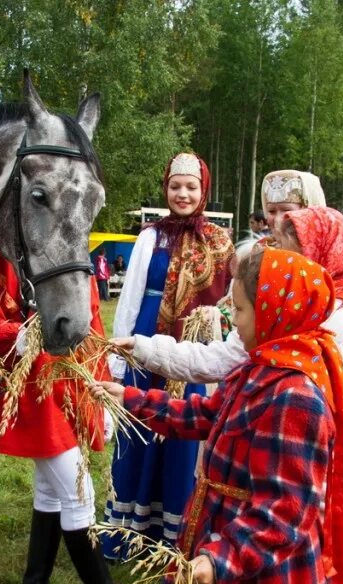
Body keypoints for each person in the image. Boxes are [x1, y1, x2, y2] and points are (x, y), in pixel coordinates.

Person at [113, 205, 343, 584]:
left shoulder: (295, 395)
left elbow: (283, 510)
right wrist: (132, 398)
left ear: (274, 311)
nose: (234, 321)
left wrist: (219, 559)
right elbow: (208, 412)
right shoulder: (261, 363)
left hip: (263, 568)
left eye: (240, 310)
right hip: (236, 544)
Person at [0, 250, 145, 584]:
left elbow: (92, 327)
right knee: (79, 495)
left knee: (51, 492)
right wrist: (18, 336)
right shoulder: (3, 259)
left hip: (77, 388)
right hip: (35, 394)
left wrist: (102, 396)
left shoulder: (73, 250)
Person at [103, 152, 235, 557]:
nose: (183, 194)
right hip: (146, 345)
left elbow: (231, 303)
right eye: (175, 186)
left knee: (183, 439)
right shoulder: (150, 237)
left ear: (203, 191)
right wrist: (118, 359)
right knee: (141, 430)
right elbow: (130, 299)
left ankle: (176, 533)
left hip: (194, 351)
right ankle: (133, 531)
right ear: (166, 189)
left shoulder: (220, 241)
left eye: (191, 187)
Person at [261, 169, 327, 227]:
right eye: (271, 211)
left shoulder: (327, 241)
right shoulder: (262, 241)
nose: (277, 219)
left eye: (286, 210)